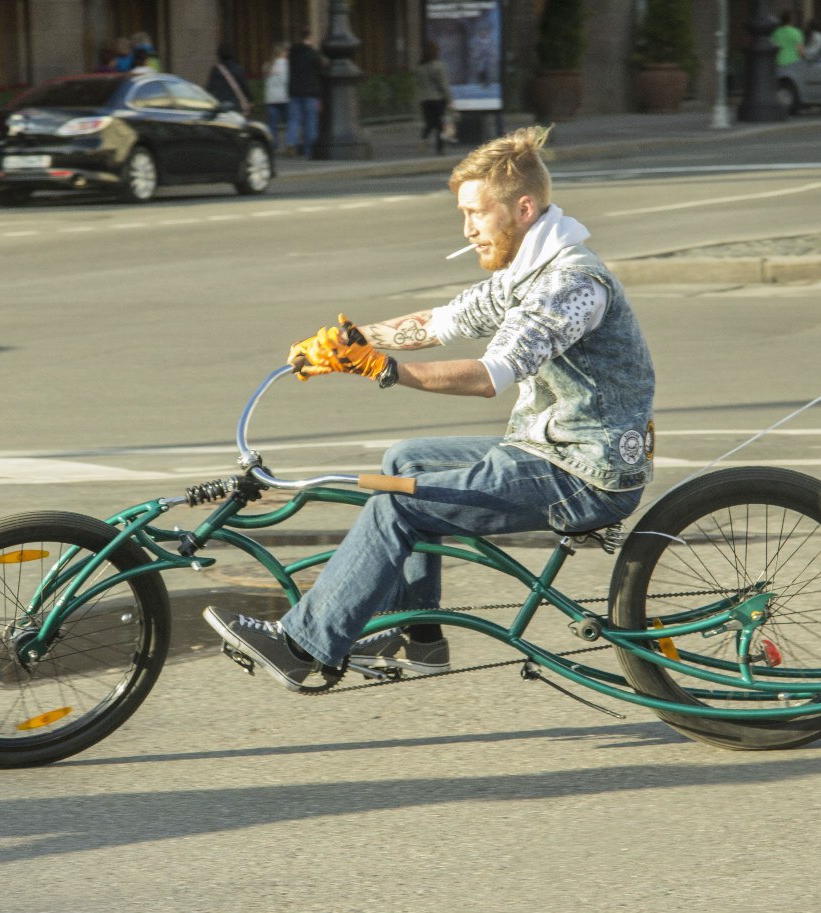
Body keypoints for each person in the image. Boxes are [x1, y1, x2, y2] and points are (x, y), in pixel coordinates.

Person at [204, 126, 656, 691]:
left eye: (475, 214)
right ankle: (418, 635)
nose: (466, 230)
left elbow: (491, 375)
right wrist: (353, 343)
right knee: (404, 461)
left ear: (521, 208)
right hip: (548, 447)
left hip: (586, 471)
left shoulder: (569, 282)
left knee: (397, 506)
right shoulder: (526, 271)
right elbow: (442, 323)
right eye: (462, 215)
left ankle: (302, 644)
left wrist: (385, 371)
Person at [286, 31, 322, 158]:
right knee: (310, 121)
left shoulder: (293, 53)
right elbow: (320, 69)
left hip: (294, 91)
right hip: (310, 91)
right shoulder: (313, 54)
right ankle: (310, 148)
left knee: (293, 119)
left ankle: (291, 142)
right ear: (309, 38)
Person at [415, 39, 453, 155]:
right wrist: (449, 99)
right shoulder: (439, 66)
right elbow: (443, 84)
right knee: (441, 125)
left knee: (429, 123)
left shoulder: (420, 67)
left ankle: (423, 139)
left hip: (424, 99)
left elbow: (418, 84)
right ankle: (440, 148)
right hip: (438, 98)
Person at [206, 44, 251, 114]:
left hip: (220, 107)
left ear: (219, 55)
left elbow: (210, 88)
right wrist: (249, 100)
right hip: (236, 106)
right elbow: (244, 87)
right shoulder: (238, 69)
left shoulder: (215, 70)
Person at [263, 41, 290, 151]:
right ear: (283, 52)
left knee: (272, 124)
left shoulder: (267, 65)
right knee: (289, 122)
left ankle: (272, 145)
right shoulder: (286, 64)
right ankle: (288, 145)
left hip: (270, 98)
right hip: (283, 98)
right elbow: (286, 81)